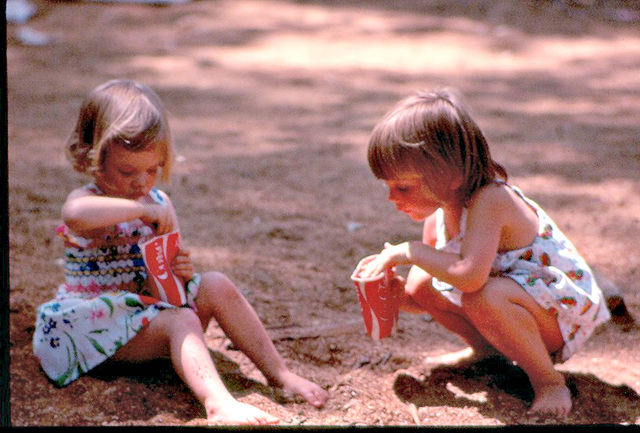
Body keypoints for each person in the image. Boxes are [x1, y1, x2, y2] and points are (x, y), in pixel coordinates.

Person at [32, 79, 328, 425]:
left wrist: (181, 269)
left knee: (215, 283)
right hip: (98, 328)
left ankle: (279, 373)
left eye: (152, 169)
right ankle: (218, 404)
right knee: (182, 320)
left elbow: (168, 278)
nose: (142, 183)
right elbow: (75, 217)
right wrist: (138, 211)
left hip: (150, 320)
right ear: (93, 156)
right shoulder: (88, 200)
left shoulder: (159, 203)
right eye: (127, 171)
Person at [360, 88, 610, 417]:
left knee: (481, 295)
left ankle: (549, 382)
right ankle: (486, 352)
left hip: (560, 316)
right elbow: (434, 293)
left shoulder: (491, 200)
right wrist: (397, 296)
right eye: (388, 186)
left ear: (451, 176)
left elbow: (468, 276)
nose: (392, 198)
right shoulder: (439, 218)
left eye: (403, 187)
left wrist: (411, 251)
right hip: (516, 305)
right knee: (423, 278)